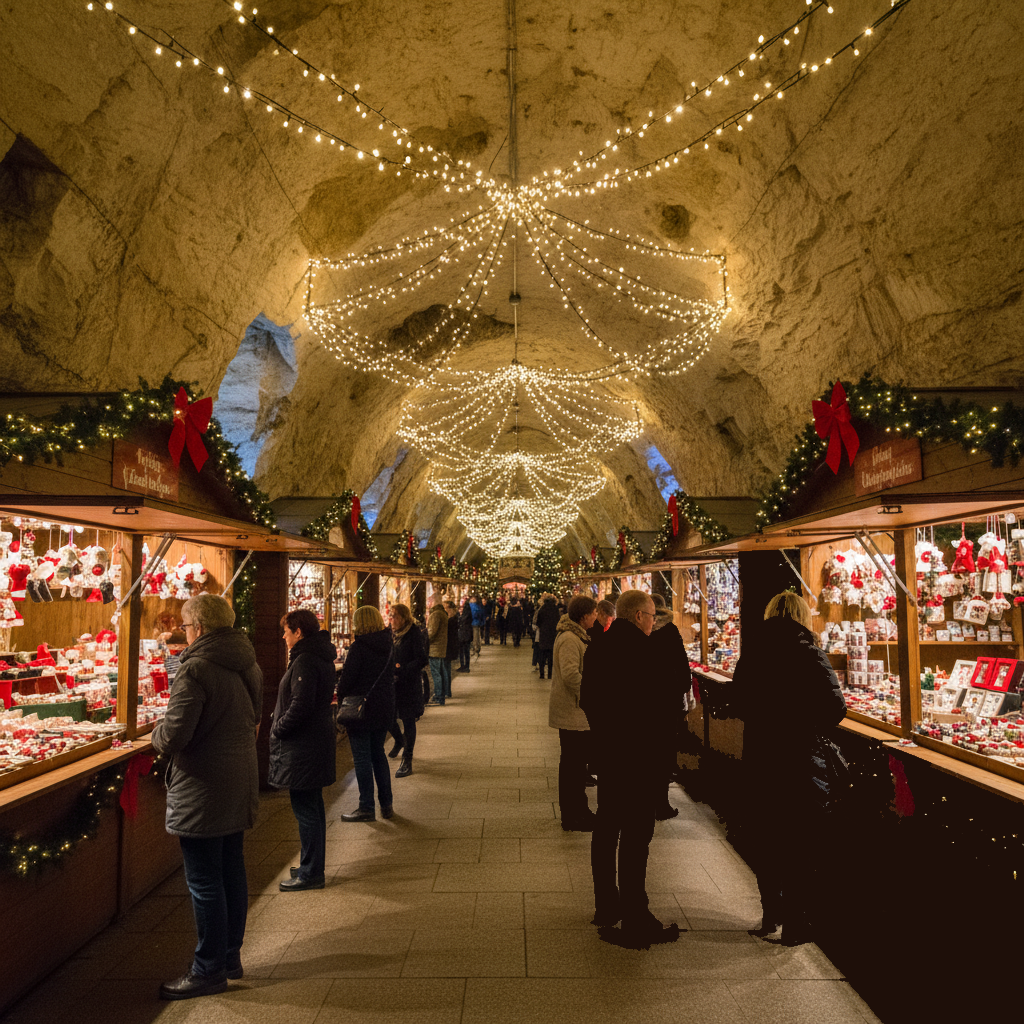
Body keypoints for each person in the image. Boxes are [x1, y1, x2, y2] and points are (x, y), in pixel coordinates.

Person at [151, 593, 262, 1000]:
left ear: (198, 627)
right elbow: (254, 717)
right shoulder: (247, 660)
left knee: (203, 880)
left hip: (203, 786)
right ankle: (230, 956)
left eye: (185, 626)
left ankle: (208, 968)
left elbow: (175, 733)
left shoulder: (194, 668)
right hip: (238, 779)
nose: (184, 632)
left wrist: (154, 734)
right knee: (231, 867)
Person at [731, 591, 847, 946]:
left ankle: (770, 916)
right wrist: (806, 723)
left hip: (762, 758)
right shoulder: (809, 653)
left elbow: (738, 701)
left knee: (767, 840)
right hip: (801, 762)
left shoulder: (753, 653)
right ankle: (796, 924)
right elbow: (836, 707)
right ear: (802, 617)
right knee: (799, 843)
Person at [581, 589, 682, 948]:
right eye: (652, 615)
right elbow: (667, 703)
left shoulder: (599, 648)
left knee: (608, 826)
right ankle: (636, 916)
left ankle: (607, 905)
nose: (654, 621)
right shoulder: (649, 651)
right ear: (638, 615)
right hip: (641, 759)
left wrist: (606, 736)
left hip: (610, 756)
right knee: (637, 835)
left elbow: (587, 699)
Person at [268, 608, 337, 892]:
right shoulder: (316, 655)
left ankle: (311, 873)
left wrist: (278, 728)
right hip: (314, 743)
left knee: (306, 810)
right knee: (313, 807)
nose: (283, 637)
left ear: (299, 632)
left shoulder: (305, 660)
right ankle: (312, 865)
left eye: (286, 631)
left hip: (303, 748)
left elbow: (301, 705)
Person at [336, 604, 396, 822]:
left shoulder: (359, 647)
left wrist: (340, 693)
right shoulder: (388, 644)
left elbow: (346, 681)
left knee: (362, 759)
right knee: (378, 754)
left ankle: (366, 806)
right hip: (383, 708)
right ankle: (387, 804)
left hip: (361, 711)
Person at [549, 595, 598, 831]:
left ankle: (581, 810)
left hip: (576, 712)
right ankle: (572, 815)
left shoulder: (577, 636)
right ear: (584, 615)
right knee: (572, 767)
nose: (596, 616)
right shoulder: (570, 639)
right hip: (572, 711)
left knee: (577, 767)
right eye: (594, 612)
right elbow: (570, 675)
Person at [649, 594, 692, 821]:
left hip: (644, 702)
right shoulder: (670, 631)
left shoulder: (641, 631)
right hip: (667, 702)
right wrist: (683, 689)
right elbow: (682, 665)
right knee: (664, 752)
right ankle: (661, 803)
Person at [390, 602, 427, 777]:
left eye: (394, 615)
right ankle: (399, 740)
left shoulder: (413, 634)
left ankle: (407, 758)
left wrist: (402, 668)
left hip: (408, 685)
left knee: (408, 721)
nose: (391, 619)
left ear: (403, 618)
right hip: (393, 684)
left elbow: (421, 659)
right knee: (388, 717)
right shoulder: (393, 634)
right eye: (390, 615)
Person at [425, 594, 448, 709]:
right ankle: (441, 695)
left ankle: (438, 696)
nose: (428, 603)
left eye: (430, 601)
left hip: (435, 648)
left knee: (436, 673)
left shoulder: (435, 615)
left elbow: (431, 632)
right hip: (441, 647)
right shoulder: (442, 613)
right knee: (441, 672)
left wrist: (424, 638)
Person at [535, 593, 560, 680]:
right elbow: (558, 621)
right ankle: (550, 674)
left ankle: (542, 674)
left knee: (542, 655)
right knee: (550, 656)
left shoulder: (542, 609)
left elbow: (538, 622)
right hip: (552, 634)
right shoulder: (555, 609)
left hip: (543, 634)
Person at [444, 600, 459, 698]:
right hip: (450, 646)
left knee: (445, 669)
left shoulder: (451, 620)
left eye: (445, 607)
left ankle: (446, 691)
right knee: (446, 669)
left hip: (448, 647)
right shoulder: (453, 618)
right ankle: (447, 690)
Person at [457, 597, 473, 672]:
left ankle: (464, 666)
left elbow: (462, 620)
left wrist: (459, 616)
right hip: (466, 634)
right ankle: (465, 665)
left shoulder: (466, 613)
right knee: (465, 651)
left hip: (464, 635)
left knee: (463, 651)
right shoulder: (468, 612)